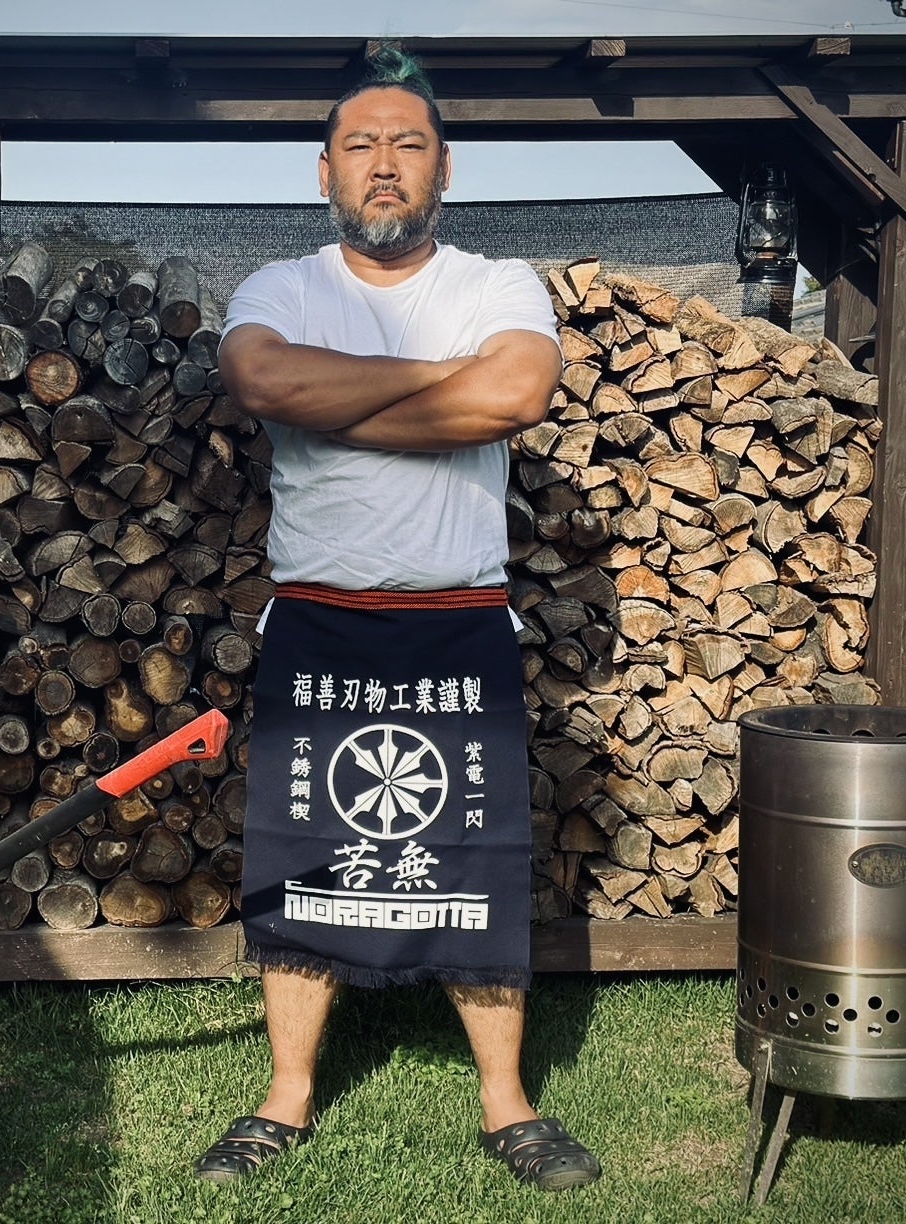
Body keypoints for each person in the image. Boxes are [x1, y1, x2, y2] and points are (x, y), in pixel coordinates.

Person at [193, 47, 602, 1193]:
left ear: (444, 169)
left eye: (408, 145)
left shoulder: (495, 284)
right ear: (323, 170)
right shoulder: (280, 288)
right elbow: (265, 384)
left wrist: (341, 402)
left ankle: (507, 1103)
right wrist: (437, 385)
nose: (384, 165)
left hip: (457, 621)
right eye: (361, 146)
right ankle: (285, 1096)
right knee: (303, 852)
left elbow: (514, 392)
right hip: (317, 624)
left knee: (474, 853)